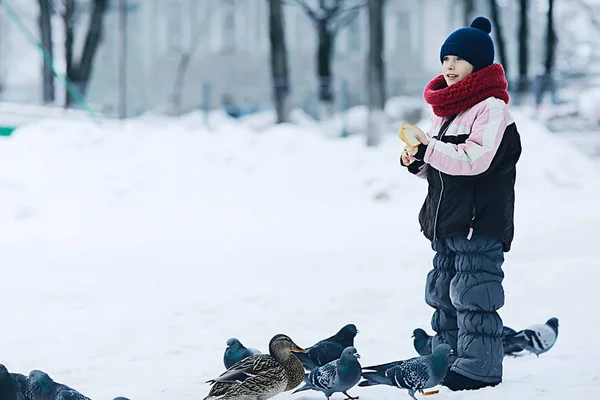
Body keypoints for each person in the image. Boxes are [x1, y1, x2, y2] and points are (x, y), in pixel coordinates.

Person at [400, 16, 522, 391]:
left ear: (479, 64)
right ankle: (447, 357)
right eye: (445, 60)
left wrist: (431, 149)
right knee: (443, 294)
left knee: (473, 295)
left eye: (458, 59)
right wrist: (418, 160)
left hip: (478, 222)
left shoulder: (491, 109)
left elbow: (473, 160)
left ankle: (479, 367)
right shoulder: (448, 112)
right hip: (448, 222)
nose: (449, 67)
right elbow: (443, 166)